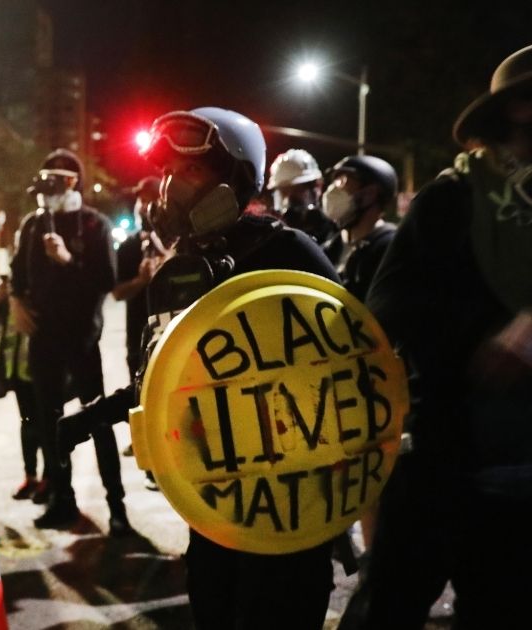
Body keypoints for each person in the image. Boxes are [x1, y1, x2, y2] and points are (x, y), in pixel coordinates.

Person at [342, 41, 532, 630]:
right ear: (525, 108)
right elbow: (387, 306)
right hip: (439, 469)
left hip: (530, 481)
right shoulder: (451, 200)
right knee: (385, 612)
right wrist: (488, 340)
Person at [137, 107, 341, 629]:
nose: (171, 187)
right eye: (168, 173)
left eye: (191, 171)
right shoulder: (178, 268)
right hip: (213, 512)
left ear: (236, 179)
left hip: (289, 513)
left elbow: (344, 372)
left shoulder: (290, 253)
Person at [10, 148, 129, 534]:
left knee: (97, 420)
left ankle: (117, 506)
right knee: (49, 424)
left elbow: (106, 282)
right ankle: (62, 499)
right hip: (43, 340)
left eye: (54, 181)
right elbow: (17, 274)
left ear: (72, 182)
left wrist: (66, 261)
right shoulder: (32, 225)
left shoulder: (94, 224)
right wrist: (14, 300)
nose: (46, 190)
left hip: (81, 339)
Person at [0, 274, 46, 502]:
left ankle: (50, 479)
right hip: (16, 368)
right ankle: (30, 476)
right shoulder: (14, 284)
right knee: (27, 424)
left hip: (40, 368)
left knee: (46, 425)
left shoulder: (40, 281)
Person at [321, 155, 399, 302]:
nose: (333, 189)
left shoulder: (390, 249)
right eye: (335, 180)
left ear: (370, 193)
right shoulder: (330, 246)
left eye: (343, 181)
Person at [112, 175, 169, 379]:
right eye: (140, 201)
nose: (143, 207)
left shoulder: (175, 240)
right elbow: (117, 293)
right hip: (138, 342)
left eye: (150, 200)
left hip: (172, 340)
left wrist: (167, 261)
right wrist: (141, 280)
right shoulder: (128, 247)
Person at [268, 149, 339, 251]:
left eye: (296, 189)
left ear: (317, 186)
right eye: (283, 191)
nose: (288, 199)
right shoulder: (273, 232)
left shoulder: (332, 232)